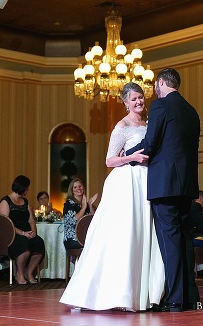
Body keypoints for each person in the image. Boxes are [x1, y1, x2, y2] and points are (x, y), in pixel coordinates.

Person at [60, 82, 164, 311]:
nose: (139, 102)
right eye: (134, 99)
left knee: (141, 234)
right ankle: (110, 293)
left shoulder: (149, 124)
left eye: (141, 98)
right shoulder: (122, 126)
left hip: (145, 182)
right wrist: (131, 157)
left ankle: (139, 293)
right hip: (126, 183)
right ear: (125, 102)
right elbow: (109, 160)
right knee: (122, 234)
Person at [124, 68, 201, 312]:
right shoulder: (192, 111)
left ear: (159, 83)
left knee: (170, 241)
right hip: (187, 186)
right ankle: (189, 295)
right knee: (185, 239)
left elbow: (151, 143)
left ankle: (175, 298)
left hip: (165, 185)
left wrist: (128, 155)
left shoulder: (160, 106)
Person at [0, 175, 45, 284]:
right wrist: (23, 233)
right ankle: (19, 273)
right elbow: (6, 224)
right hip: (12, 235)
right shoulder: (6, 201)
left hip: (26, 232)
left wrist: (33, 232)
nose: (28, 190)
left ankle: (29, 273)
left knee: (39, 243)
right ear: (22, 187)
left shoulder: (25, 202)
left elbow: (31, 221)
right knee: (24, 245)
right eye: (27, 188)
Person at [61, 178, 98, 250]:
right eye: (75, 187)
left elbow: (94, 220)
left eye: (80, 186)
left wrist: (90, 205)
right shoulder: (69, 204)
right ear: (72, 191)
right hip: (73, 238)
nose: (78, 188)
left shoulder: (85, 204)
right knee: (94, 245)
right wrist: (83, 208)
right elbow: (74, 221)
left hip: (86, 236)